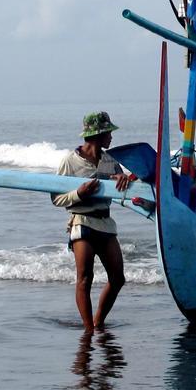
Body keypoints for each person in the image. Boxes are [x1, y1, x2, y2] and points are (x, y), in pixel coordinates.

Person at [52, 111, 133, 332]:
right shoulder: (71, 162)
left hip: (105, 224)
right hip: (81, 223)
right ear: (98, 134)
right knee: (85, 278)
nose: (112, 138)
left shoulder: (108, 161)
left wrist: (121, 178)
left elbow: (118, 183)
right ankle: (88, 330)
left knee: (117, 278)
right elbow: (56, 198)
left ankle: (98, 322)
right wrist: (79, 193)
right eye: (109, 133)